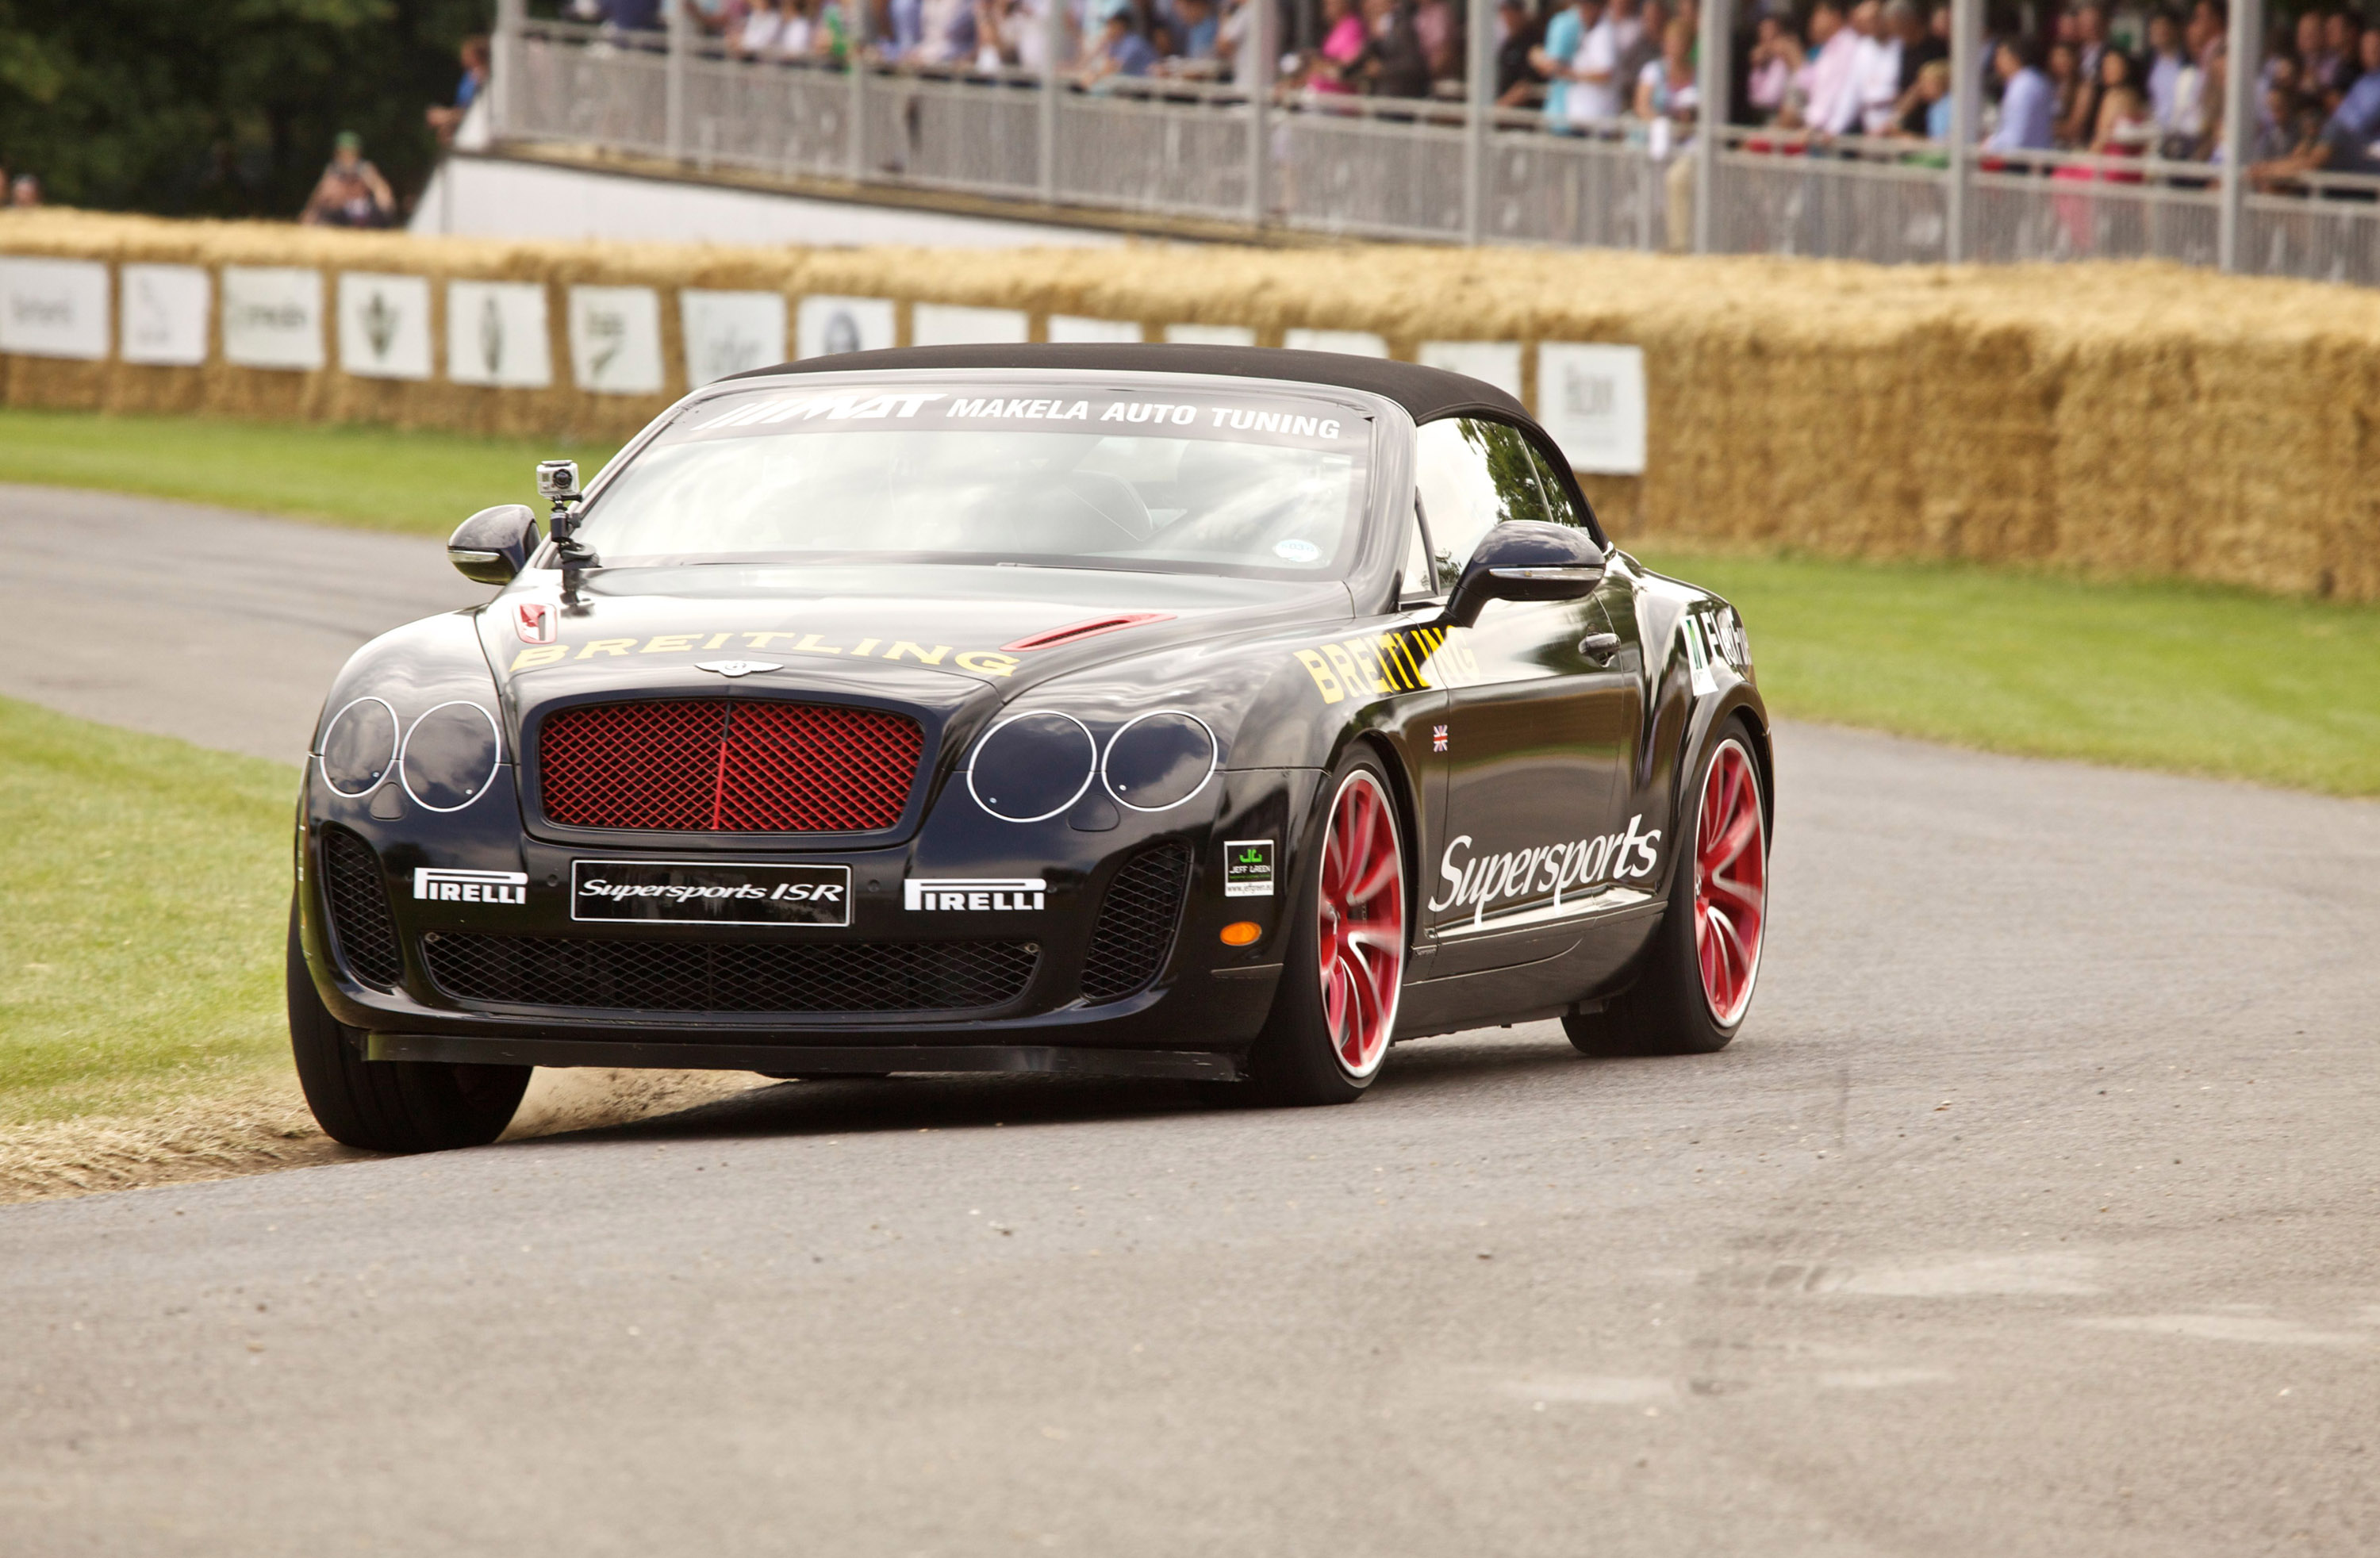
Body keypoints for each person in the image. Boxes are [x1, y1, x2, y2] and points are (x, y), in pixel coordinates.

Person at [1566, 0, 1640, 127]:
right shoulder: (1588, 31)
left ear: (1597, 9)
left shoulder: (1604, 33)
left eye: (1586, 8)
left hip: (1598, 119)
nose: (1582, 13)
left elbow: (1605, 72)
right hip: (1584, 116)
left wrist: (1569, 73)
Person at [299, 132, 395, 227]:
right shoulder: (334, 170)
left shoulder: (365, 169)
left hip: (363, 212)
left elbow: (381, 191)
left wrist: (385, 205)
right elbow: (321, 194)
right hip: (341, 212)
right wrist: (310, 212)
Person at [1800, 0, 1861, 137]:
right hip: (1817, 129)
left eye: (1819, 14)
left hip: (1834, 132)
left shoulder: (1848, 45)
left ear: (1834, 16)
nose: (1814, 20)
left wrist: (1817, 124)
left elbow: (1838, 90)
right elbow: (1813, 87)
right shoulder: (1827, 48)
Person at [1531, 0, 1596, 125]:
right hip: (1585, 109)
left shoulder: (1565, 22)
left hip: (1565, 108)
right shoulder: (1598, 19)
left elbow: (1549, 67)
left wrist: (1535, 54)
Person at [1985, 37, 2055, 153]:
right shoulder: (2033, 80)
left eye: (2001, 55)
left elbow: (2017, 137)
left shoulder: (2023, 85)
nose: (1996, 61)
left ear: (2015, 57)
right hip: (2033, 155)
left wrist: (1989, 144)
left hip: (2024, 160)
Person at [425, 36, 490, 147]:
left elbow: (475, 111)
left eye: (467, 54)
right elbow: (462, 106)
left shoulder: (482, 78)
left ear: (476, 56)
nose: (462, 57)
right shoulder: (468, 76)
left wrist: (445, 116)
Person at [1078, 0, 1157, 82]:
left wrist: (1092, 77)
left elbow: (1113, 67)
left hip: (1152, 87)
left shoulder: (1133, 42)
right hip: (1132, 86)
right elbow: (1099, 62)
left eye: (1111, 24)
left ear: (1122, 25)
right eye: (1107, 24)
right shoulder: (1114, 43)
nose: (1108, 29)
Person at [1746, 13, 1802, 123]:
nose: (1767, 36)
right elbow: (1755, 98)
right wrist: (1758, 67)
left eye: (1771, 32)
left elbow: (1771, 97)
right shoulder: (1761, 60)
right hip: (1762, 115)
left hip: (1784, 116)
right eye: (1763, 31)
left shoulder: (1785, 58)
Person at [1495, 0, 1547, 106]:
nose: (1507, 18)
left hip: (1523, 114)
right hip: (1504, 112)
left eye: (1511, 13)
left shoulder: (1534, 42)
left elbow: (1525, 86)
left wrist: (1499, 108)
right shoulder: (1509, 44)